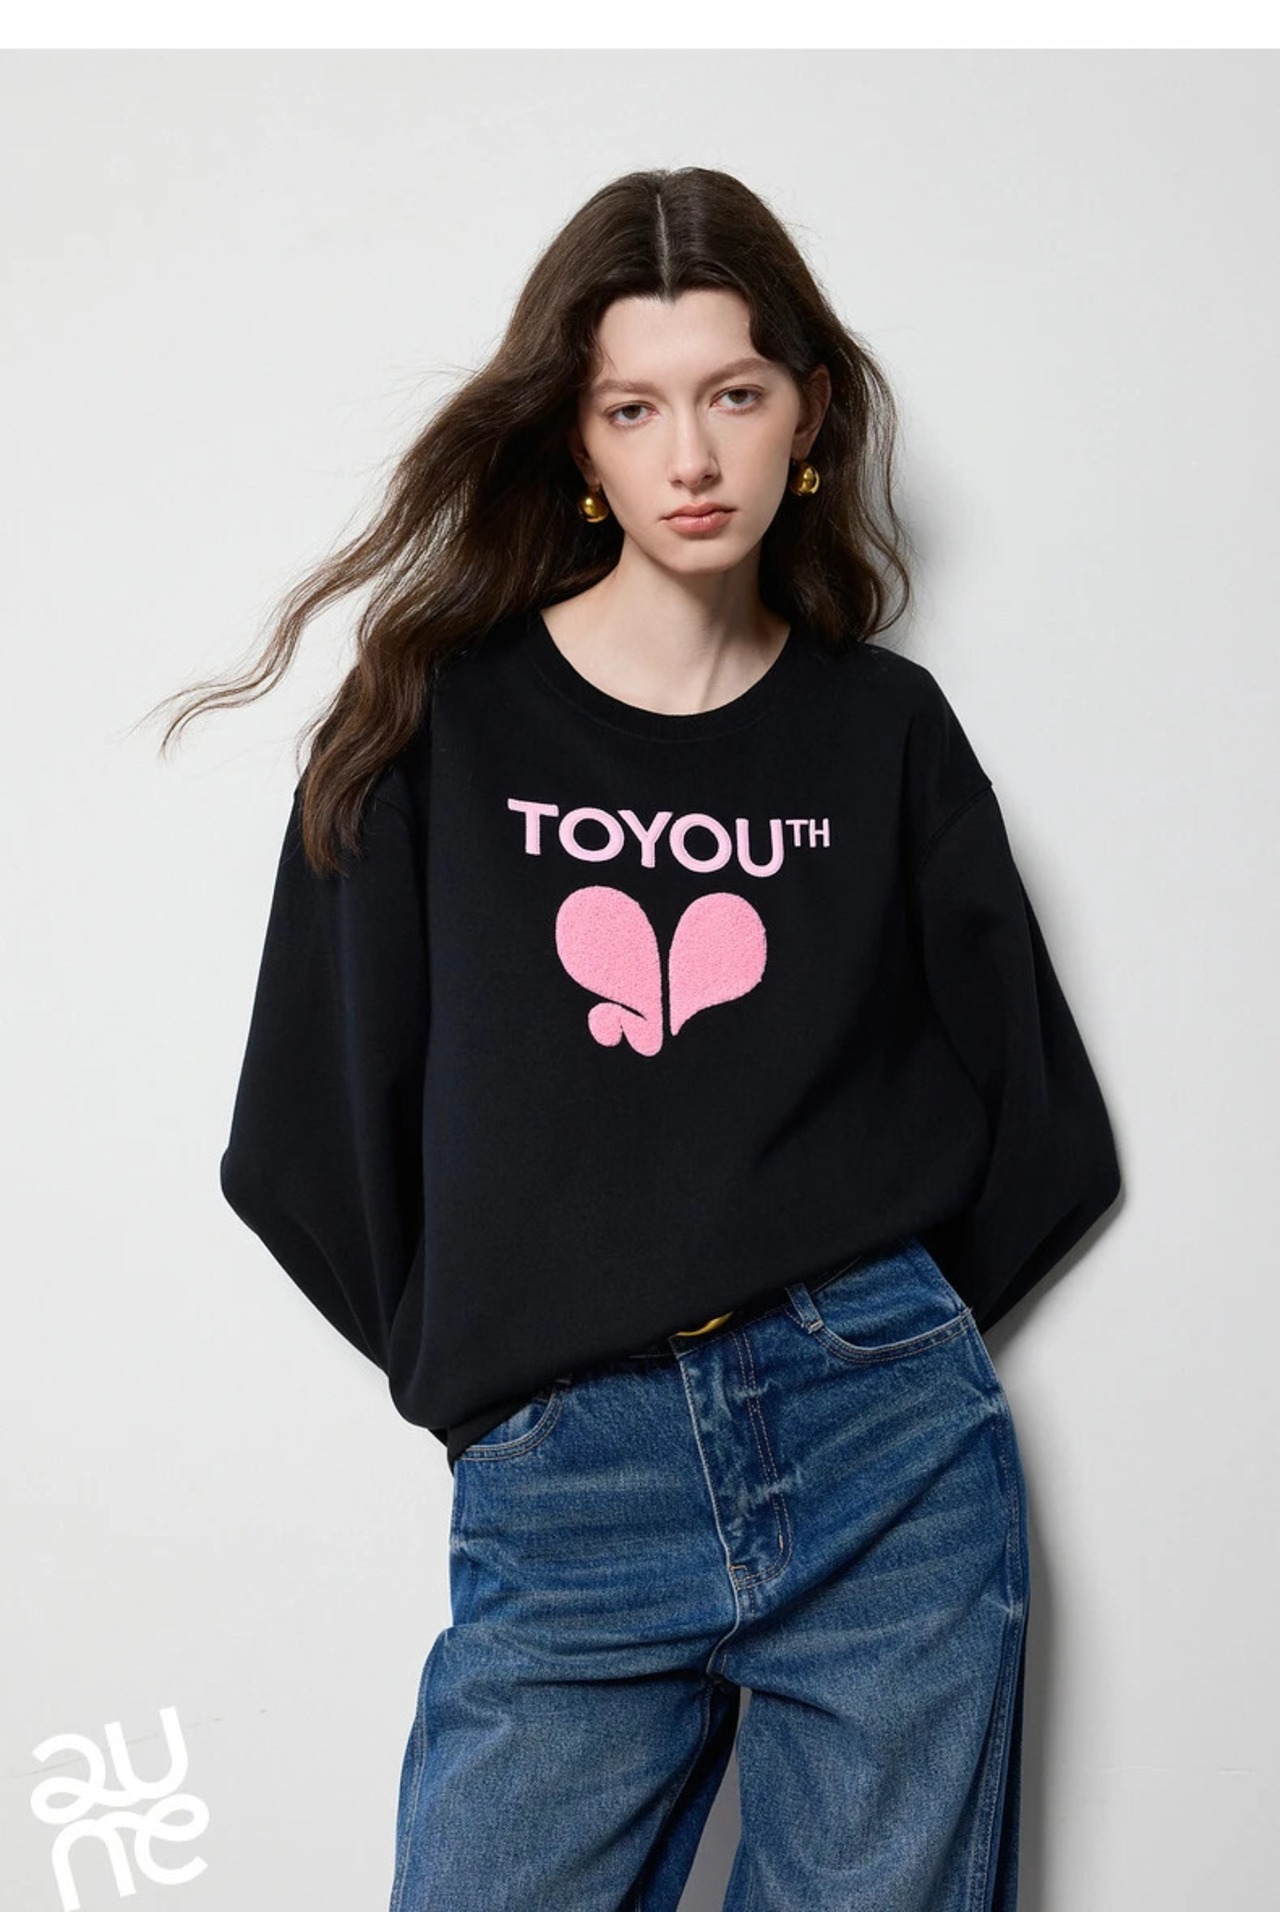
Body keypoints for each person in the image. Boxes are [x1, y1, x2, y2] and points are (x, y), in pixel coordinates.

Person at [158, 166, 1121, 1909]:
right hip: (568, 1482)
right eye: (634, 407)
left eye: (733, 395)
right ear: (576, 439)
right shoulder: (436, 722)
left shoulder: (884, 732)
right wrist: (507, 1374)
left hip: (889, 1464)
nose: (692, 456)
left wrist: (866, 1339)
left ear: (806, 413)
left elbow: (1040, 1118)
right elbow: (300, 1138)